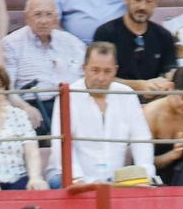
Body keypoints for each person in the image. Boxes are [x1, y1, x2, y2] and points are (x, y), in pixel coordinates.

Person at [48, 41, 156, 186]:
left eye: (107, 71)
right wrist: (79, 179)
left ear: (116, 70)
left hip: (115, 180)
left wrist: (145, 174)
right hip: (69, 177)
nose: (101, 78)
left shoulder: (127, 95)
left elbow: (141, 138)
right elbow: (60, 145)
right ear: (84, 69)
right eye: (95, 70)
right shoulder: (68, 96)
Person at [2, 0, 83, 133]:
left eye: (49, 15)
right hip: (35, 105)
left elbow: (84, 80)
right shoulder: (11, 43)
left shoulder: (73, 43)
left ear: (56, 17)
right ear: (26, 17)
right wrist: (25, 108)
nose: (44, 21)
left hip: (71, 105)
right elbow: (8, 89)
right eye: (38, 15)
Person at [93, 0, 177, 93]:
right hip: (116, 99)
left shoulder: (164, 36)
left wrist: (164, 83)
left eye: (149, 1)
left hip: (155, 101)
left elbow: (169, 71)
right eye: (138, 0)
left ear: (156, 2)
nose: (142, 7)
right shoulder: (106, 33)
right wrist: (139, 86)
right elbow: (100, 78)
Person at [145, 64, 183, 186]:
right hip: (154, 178)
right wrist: (171, 156)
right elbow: (143, 162)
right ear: (171, 88)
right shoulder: (152, 113)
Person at [48, 0, 125, 43]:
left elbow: (135, 2)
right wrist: (73, 47)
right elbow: (52, 23)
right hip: (75, 49)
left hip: (120, 43)